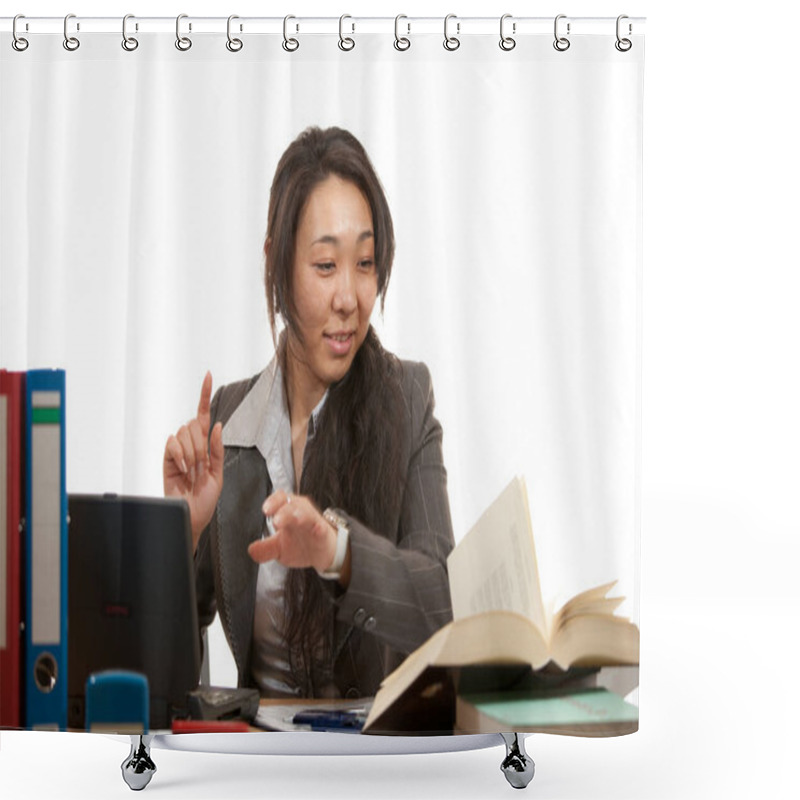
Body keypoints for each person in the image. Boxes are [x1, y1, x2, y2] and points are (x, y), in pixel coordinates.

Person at [163, 126, 455, 699]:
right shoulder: (231, 420)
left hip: (375, 771)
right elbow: (172, 671)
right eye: (326, 265)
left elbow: (440, 602)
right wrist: (181, 533)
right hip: (260, 773)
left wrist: (336, 553)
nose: (349, 296)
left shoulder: (407, 397)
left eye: (365, 262)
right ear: (277, 261)